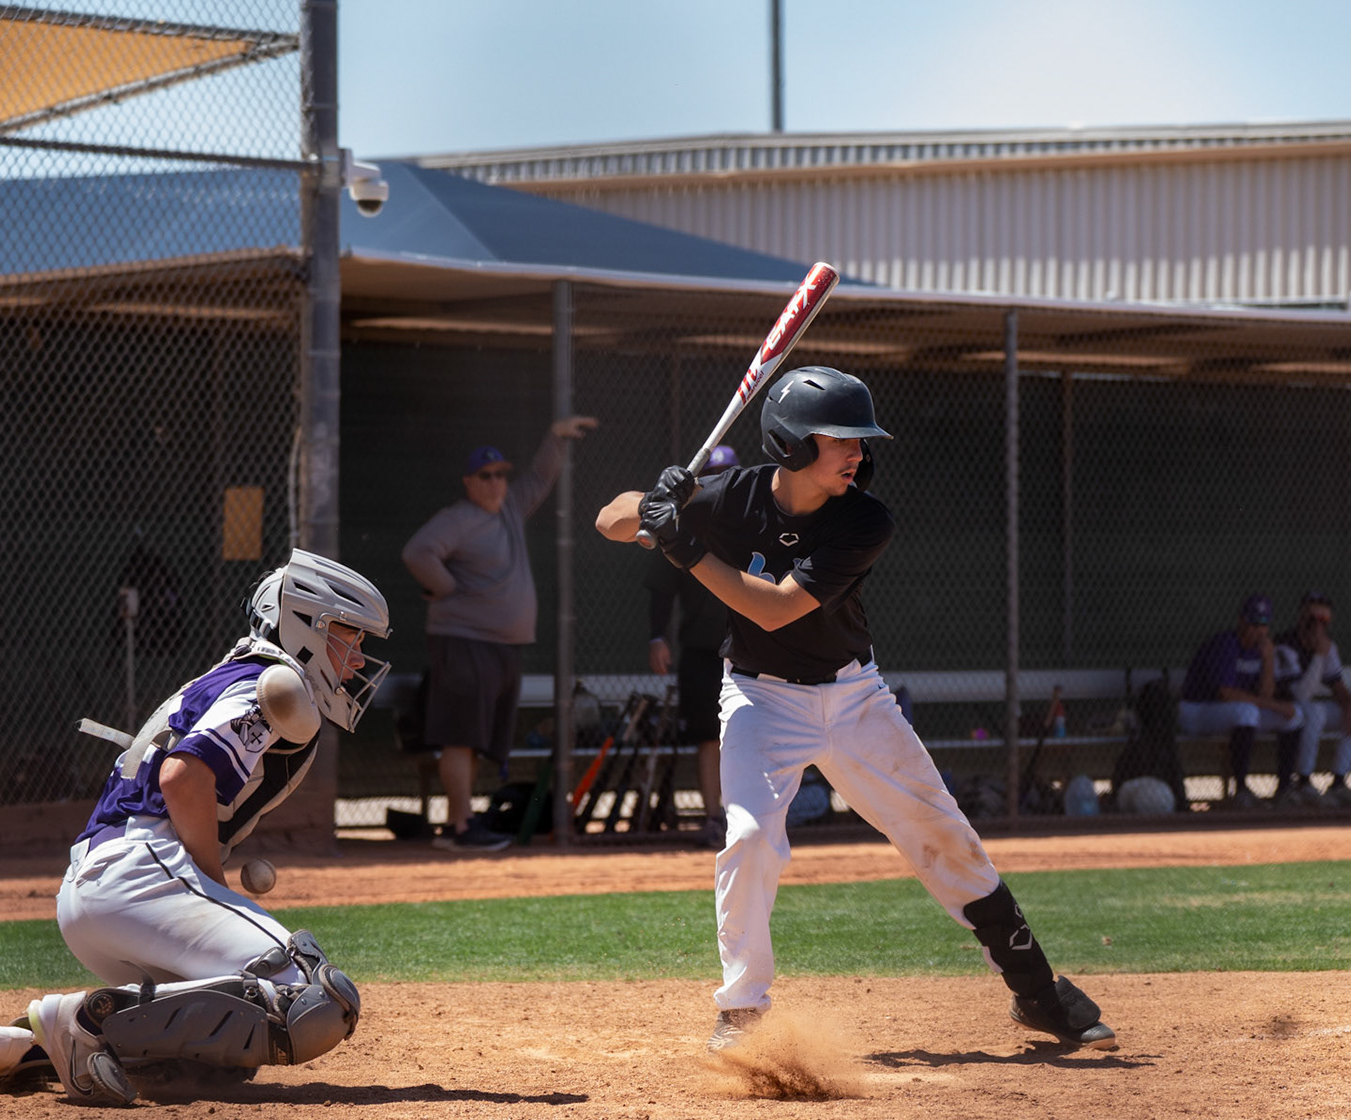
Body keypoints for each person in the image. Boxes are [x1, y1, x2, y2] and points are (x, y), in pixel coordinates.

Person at [596, 366, 1116, 1055]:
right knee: (748, 838)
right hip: (758, 697)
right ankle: (742, 1012)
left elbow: (775, 609)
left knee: (944, 837)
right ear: (791, 445)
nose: (856, 452)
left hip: (854, 698)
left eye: (859, 440)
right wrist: (662, 498)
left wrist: (684, 545)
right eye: (839, 438)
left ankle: (1038, 994)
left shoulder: (865, 520)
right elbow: (610, 519)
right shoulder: (730, 494)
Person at [0, 550, 393, 1105]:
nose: (356, 661)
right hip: (143, 876)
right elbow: (183, 777)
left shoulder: (232, 675)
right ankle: (80, 1021)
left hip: (99, 888)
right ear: (303, 625)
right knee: (317, 1001)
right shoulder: (277, 684)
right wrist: (213, 882)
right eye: (347, 638)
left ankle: (20, 1046)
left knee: (219, 1053)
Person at [402, 415, 597, 851]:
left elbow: (540, 478)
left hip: (502, 646)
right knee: (460, 736)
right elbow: (417, 552)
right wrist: (446, 587)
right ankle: (460, 827)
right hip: (463, 641)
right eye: (486, 476)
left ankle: (462, 822)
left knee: (475, 740)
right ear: (469, 482)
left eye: (500, 475)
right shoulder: (457, 518)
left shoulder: (509, 508)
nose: (495, 483)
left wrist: (555, 438)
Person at [645, 444, 738, 847]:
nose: (718, 482)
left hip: (748, 650)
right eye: (711, 475)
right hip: (702, 650)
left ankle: (749, 819)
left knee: (754, 739)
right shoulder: (681, 526)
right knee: (709, 737)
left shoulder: (752, 524)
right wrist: (657, 636)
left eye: (726, 474)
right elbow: (661, 590)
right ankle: (715, 817)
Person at [1178, 594, 1303, 807]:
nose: (1258, 630)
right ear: (1241, 621)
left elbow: (1265, 694)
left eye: (1263, 624)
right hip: (1197, 710)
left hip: (1234, 713)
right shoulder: (1226, 644)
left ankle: (1284, 788)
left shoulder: (1262, 650)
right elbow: (1225, 694)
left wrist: (1268, 659)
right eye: (1253, 623)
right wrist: (1275, 706)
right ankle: (1241, 790)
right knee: (1247, 712)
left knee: (1295, 716)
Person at [1272, 591, 1351, 807]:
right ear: (1301, 617)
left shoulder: (1328, 646)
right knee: (1315, 711)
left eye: (1324, 621)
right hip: (1283, 709)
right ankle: (1304, 781)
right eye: (1313, 620)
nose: (1318, 627)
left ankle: (1339, 782)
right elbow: (1300, 694)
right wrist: (1319, 655)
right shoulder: (1285, 645)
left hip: (1306, 710)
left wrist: (1349, 705)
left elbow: (1337, 685)